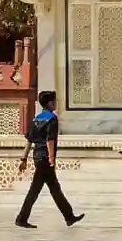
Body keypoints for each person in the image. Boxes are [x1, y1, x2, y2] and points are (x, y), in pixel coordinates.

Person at [15, 90, 84, 229]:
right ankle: (21, 219)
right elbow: (49, 140)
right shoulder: (52, 118)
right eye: (54, 101)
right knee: (35, 190)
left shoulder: (36, 119)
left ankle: (69, 216)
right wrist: (52, 159)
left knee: (54, 188)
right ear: (49, 103)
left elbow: (29, 140)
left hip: (37, 157)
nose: (55, 103)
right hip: (45, 159)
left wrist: (24, 158)